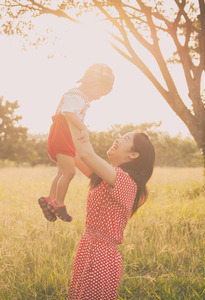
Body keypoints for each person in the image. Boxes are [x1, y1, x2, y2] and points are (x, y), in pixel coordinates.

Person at [65, 129, 156, 299]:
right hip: (87, 247)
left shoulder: (127, 182)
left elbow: (87, 155)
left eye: (125, 139)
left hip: (101, 256)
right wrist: (64, 118)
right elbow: (74, 152)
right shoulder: (106, 176)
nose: (118, 139)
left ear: (134, 154)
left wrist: (73, 119)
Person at [38, 63, 115, 222]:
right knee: (69, 172)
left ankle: (49, 199)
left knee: (61, 173)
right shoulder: (77, 96)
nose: (99, 97)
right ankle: (58, 204)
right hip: (62, 136)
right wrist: (83, 127)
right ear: (94, 84)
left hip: (62, 136)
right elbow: (68, 112)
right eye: (100, 93)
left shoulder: (79, 97)